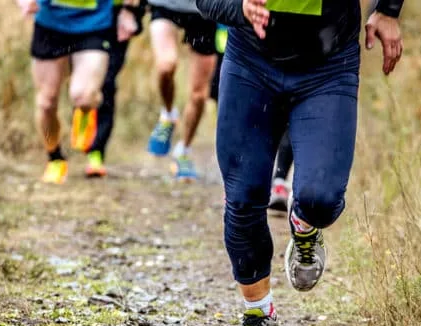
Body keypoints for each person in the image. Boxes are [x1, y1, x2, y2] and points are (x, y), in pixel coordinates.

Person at [196, 0, 404, 326]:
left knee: (320, 198)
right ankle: (259, 316)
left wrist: (388, 9)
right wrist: (238, 7)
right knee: (243, 196)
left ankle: (305, 225)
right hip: (251, 63)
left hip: (328, 65)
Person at [16, 0, 138, 185]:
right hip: (50, 23)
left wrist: (128, 11)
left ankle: (86, 111)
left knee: (84, 96)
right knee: (46, 103)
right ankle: (55, 158)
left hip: (94, 24)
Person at [209, 23, 292, 212]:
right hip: (237, 46)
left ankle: (278, 179)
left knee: (286, 111)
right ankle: (238, 182)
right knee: (244, 112)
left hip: (287, 46)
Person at [146, 0, 218, 180]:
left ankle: (183, 151)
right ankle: (168, 115)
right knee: (165, 66)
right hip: (165, 5)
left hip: (204, 10)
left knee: (199, 95)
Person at [84, 0, 148, 178]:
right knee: (83, 79)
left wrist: (129, 10)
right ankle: (82, 131)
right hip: (80, 12)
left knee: (106, 80)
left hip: (116, 13)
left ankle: (96, 150)